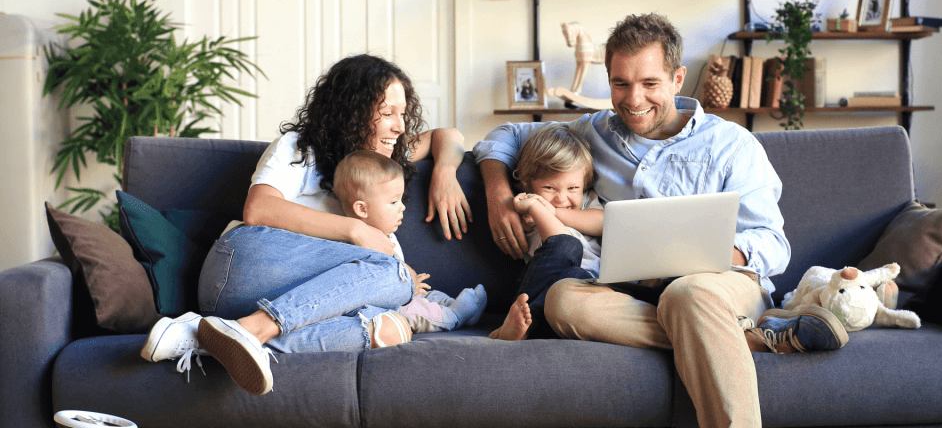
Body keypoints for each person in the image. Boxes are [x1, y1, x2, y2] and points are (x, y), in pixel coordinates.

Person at [473, 13, 848, 428]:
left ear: (677, 79)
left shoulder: (732, 144)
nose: (633, 100)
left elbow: (773, 244)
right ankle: (744, 338)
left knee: (687, 294)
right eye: (621, 84)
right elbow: (505, 135)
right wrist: (498, 194)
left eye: (650, 84)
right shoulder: (591, 131)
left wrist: (709, 251)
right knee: (563, 299)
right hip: (627, 292)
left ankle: (717, 326)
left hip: (718, 286)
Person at [139, 54, 529, 396]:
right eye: (387, 113)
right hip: (242, 265)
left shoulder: (383, 157)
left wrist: (444, 172)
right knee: (395, 275)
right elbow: (259, 209)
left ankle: (205, 336)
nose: (398, 126)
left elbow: (448, 136)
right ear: (354, 111)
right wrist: (359, 232)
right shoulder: (300, 147)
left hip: (286, 302)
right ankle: (256, 328)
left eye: (402, 113)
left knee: (390, 326)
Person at [332, 149, 488, 333]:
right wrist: (406, 288)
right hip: (385, 307)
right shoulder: (357, 244)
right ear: (362, 209)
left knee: (429, 295)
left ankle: (460, 309)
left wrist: (411, 281)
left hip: (403, 294)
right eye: (393, 202)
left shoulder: (386, 235)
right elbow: (372, 289)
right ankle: (453, 317)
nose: (403, 207)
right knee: (413, 311)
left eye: (401, 200)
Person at [478, 124, 604, 339]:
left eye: (573, 188)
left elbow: (602, 222)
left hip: (589, 290)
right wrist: (537, 208)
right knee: (566, 249)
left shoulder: (587, 200)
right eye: (550, 188)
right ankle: (518, 328)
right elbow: (559, 242)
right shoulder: (527, 209)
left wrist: (551, 210)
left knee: (578, 276)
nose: (562, 198)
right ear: (527, 183)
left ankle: (527, 330)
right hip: (546, 290)